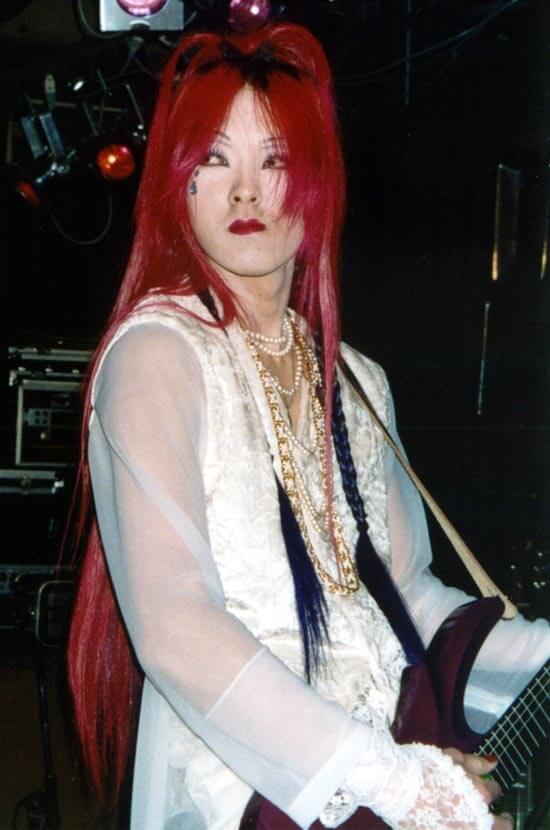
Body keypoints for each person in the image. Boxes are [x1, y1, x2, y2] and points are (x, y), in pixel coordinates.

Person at [67, 22, 549, 830]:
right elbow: (176, 626)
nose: (245, 193)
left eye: (275, 161)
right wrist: (398, 783)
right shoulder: (158, 354)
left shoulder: (359, 380)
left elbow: (406, 597)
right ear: (176, 183)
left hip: (382, 765)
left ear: (317, 180)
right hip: (245, 789)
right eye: (213, 159)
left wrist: (538, 656)